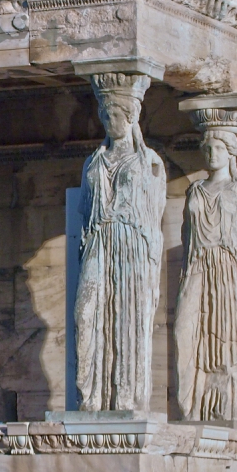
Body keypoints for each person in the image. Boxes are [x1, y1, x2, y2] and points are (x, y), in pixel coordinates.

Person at [74, 76, 166, 414]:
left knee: (127, 318)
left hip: (131, 246)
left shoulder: (149, 162)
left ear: (130, 117)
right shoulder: (93, 161)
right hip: (99, 240)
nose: (107, 121)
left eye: (113, 114)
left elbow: (154, 216)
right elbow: (85, 210)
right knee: (85, 312)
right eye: (104, 115)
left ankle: (125, 398)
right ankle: (90, 396)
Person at [174, 122, 237, 421]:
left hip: (227, 270)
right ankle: (191, 406)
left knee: (224, 341)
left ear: (230, 152)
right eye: (206, 148)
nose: (211, 153)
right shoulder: (194, 190)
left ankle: (221, 409)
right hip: (197, 266)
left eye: (218, 148)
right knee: (185, 331)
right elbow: (186, 233)